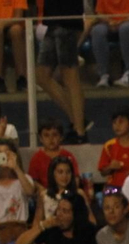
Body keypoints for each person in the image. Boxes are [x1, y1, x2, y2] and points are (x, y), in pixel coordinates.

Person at [34, 0, 89, 144]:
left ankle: (80, 133)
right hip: (52, 20)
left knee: (70, 75)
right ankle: (78, 120)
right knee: (41, 75)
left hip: (67, 19)